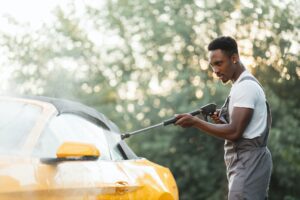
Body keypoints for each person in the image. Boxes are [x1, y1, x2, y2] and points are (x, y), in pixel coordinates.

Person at [174, 36, 272, 200]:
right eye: (212, 66)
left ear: (234, 58)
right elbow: (240, 128)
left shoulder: (245, 87)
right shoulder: (239, 86)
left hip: (249, 164)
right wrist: (222, 122)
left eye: (219, 63)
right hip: (248, 164)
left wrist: (195, 122)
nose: (215, 71)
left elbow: (234, 132)